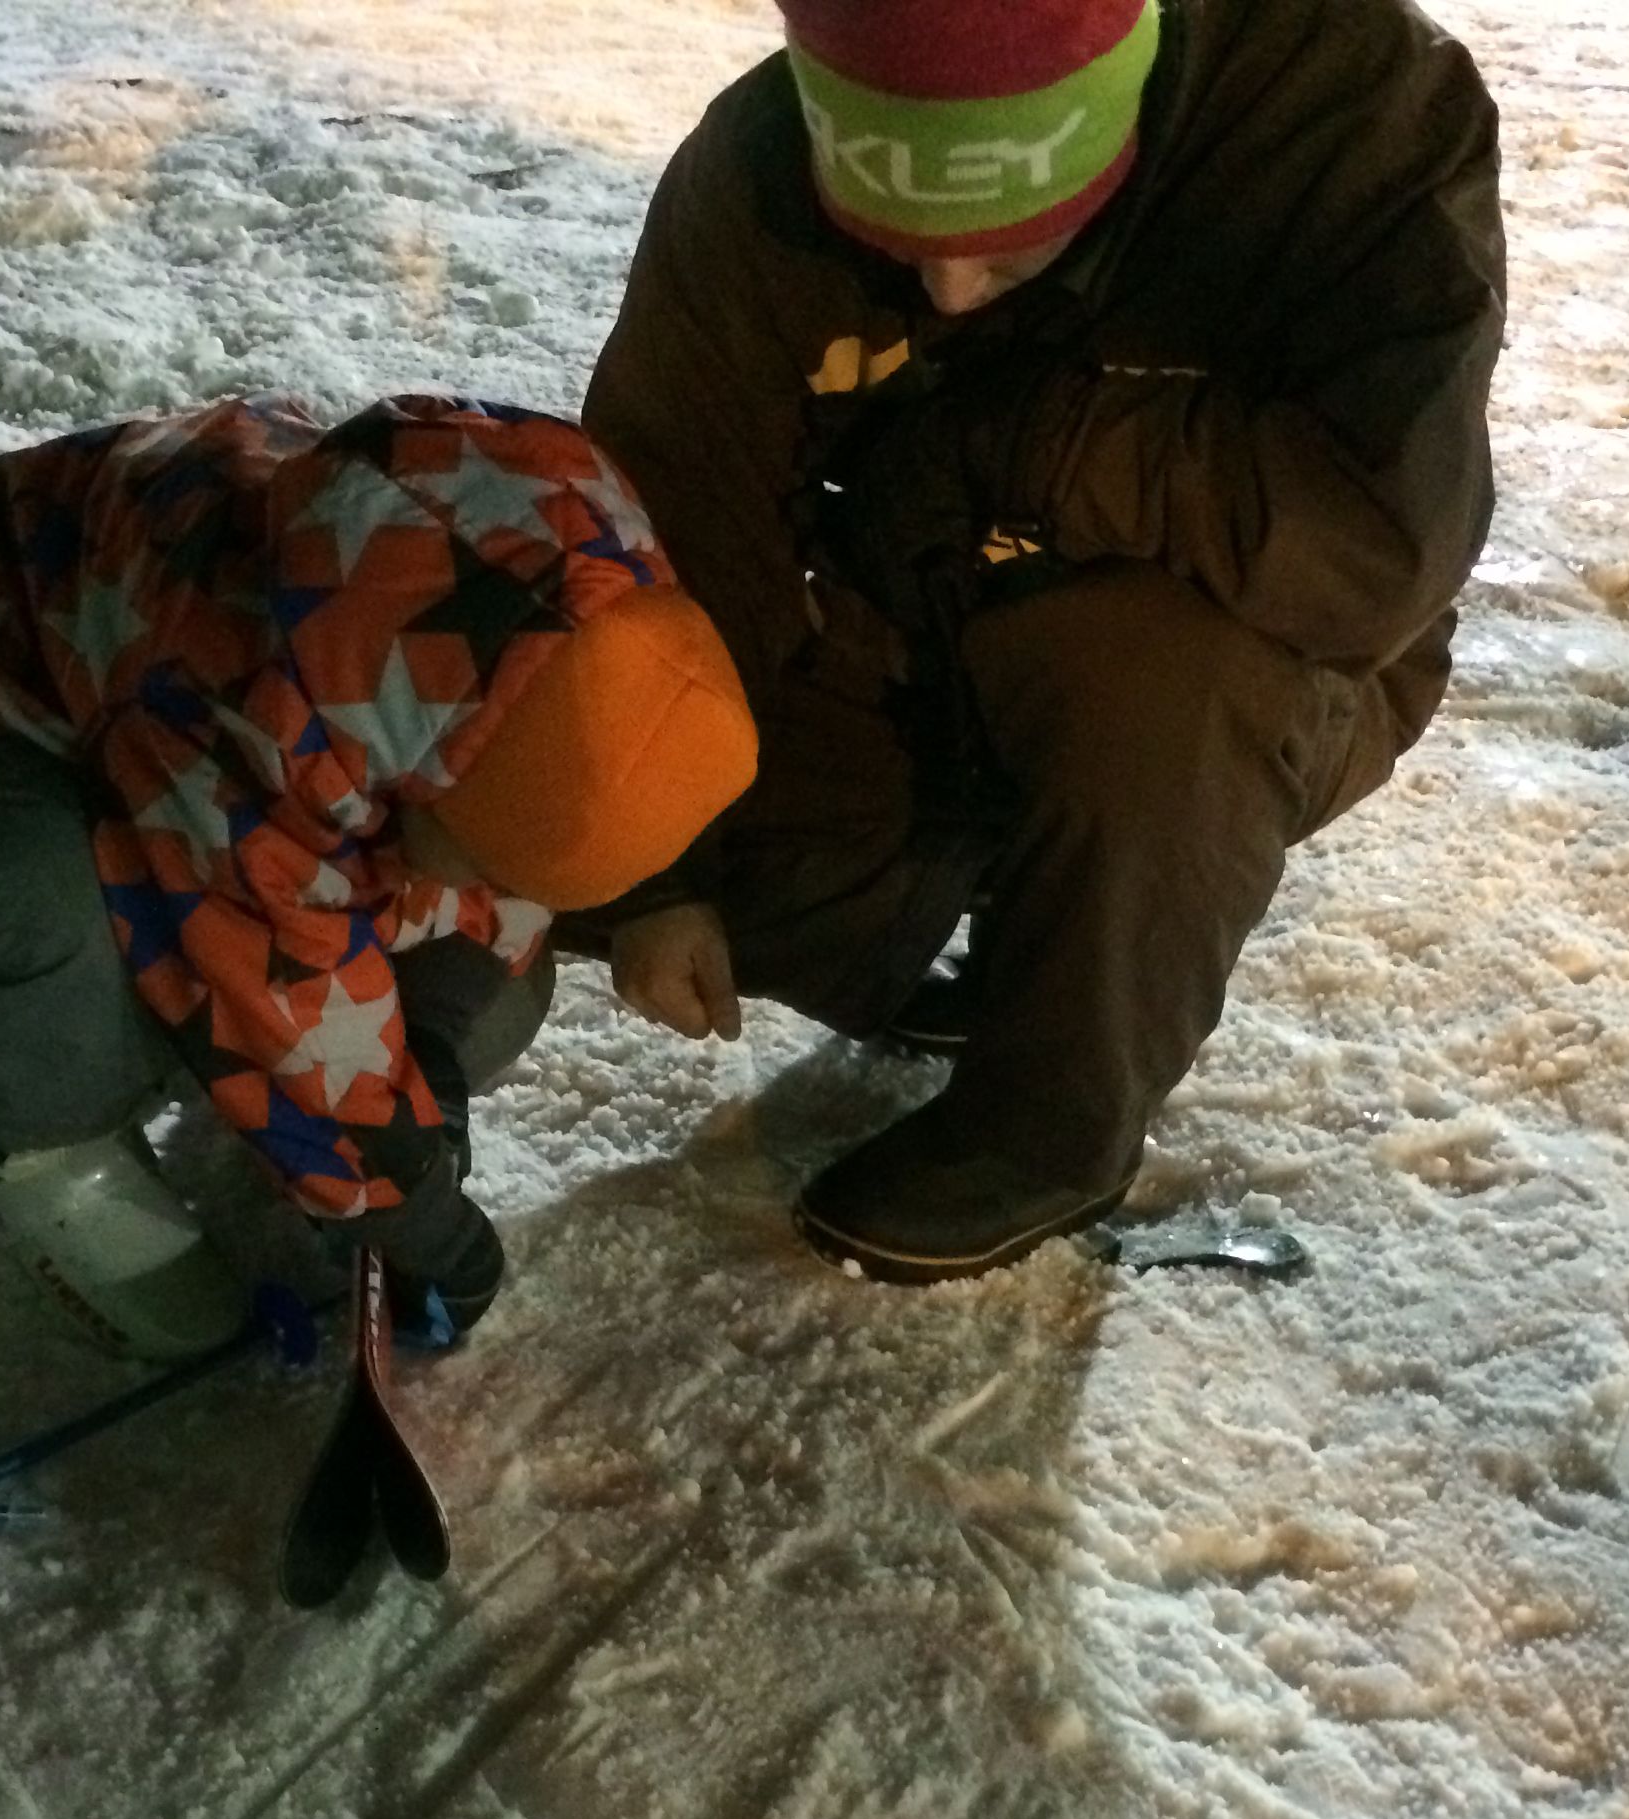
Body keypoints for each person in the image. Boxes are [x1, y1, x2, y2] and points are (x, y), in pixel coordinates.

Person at [577, 0, 1506, 1281]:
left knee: (1151, 683)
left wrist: (1040, 450)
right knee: (608, 836)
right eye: (898, 245)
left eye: (1006, 255)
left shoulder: (1348, 110)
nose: (948, 290)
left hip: (1258, 649)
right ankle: (948, 934)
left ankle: (1050, 1127)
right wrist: (660, 875)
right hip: (910, 602)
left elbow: (1379, 550)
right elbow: (670, 514)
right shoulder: (756, 165)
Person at [0, 396, 757, 1357]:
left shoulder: (531, 649)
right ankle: (18, 1125)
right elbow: (270, 972)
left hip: (212, 715)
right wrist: (405, 1207)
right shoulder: (244, 722)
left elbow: (497, 865)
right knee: (48, 916)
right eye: (484, 854)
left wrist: (427, 1044)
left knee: (480, 993)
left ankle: (267, 1070)